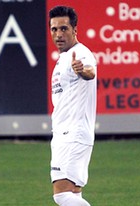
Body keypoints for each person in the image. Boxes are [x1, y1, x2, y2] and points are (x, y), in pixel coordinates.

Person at [48, 5, 97, 206]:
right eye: (54, 29)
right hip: (66, 134)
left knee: (62, 195)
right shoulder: (64, 58)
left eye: (64, 29)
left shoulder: (80, 54)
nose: (58, 34)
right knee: (73, 194)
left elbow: (90, 72)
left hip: (72, 135)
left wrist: (82, 70)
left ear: (75, 30)